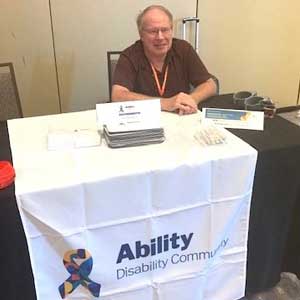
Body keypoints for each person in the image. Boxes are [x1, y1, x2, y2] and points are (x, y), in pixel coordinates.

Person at [112, 5, 217, 115]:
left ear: (171, 30)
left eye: (165, 30)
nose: (160, 37)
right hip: (145, 120)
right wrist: (164, 103)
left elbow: (210, 84)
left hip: (180, 119)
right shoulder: (129, 56)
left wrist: (191, 99)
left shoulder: (183, 49)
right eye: (153, 31)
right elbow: (118, 95)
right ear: (141, 34)